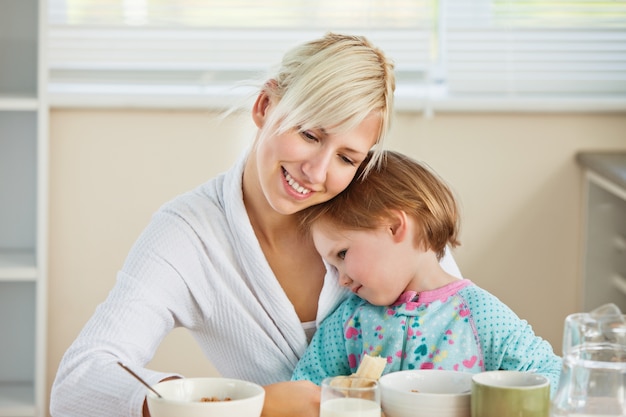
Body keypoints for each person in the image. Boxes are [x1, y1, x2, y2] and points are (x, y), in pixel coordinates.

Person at [49, 33, 463, 417]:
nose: (316, 172)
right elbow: (79, 383)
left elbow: (461, 327)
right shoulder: (189, 233)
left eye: (347, 158)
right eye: (310, 134)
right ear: (265, 106)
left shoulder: (391, 217)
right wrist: (236, 403)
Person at [291, 150, 562, 395]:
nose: (342, 279)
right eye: (333, 266)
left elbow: (553, 376)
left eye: (342, 254)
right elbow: (304, 388)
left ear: (395, 227)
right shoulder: (350, 322)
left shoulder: (480, 316)